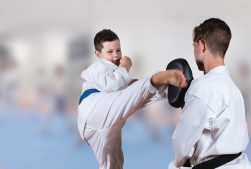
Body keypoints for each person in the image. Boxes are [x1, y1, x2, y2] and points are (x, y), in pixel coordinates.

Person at [77, 29, 188, 169]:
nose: (116, 55)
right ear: (98, 54)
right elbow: (116, 85)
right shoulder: (98, 67)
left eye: (118, 50)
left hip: (100, 125)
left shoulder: (114, 73)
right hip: (95, 107)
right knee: (136, 90)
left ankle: (165, 87)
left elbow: (126, 89)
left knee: (114, 165)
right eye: (110, 52)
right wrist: (125, 66)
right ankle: (161, 80)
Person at [168, 18, 251, 169]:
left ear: (201, 45)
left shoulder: (203, 87)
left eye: (194, 45)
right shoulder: (233, 89)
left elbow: (182, 145)